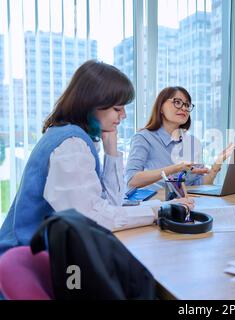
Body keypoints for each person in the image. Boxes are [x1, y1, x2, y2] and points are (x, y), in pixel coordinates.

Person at [0, 60, 193, 256]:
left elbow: (110, 204)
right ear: (91, 105)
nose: (124, 115)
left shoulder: (75, 137)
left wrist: (111, 150)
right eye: (117, 109)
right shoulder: (71, 145)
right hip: (28, 261)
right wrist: (159, 210)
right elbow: (93, 219)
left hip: (44, 253)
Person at [126, 86, 235, 190]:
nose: (184, 108)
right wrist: (177, 168)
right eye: (177, 102)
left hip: (187, 205)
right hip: (154, 206)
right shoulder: (144, 138)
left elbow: (199, 185)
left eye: (187, 104)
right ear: (160, 108)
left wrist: (216, 166)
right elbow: (132, 180)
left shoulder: (192, 143)